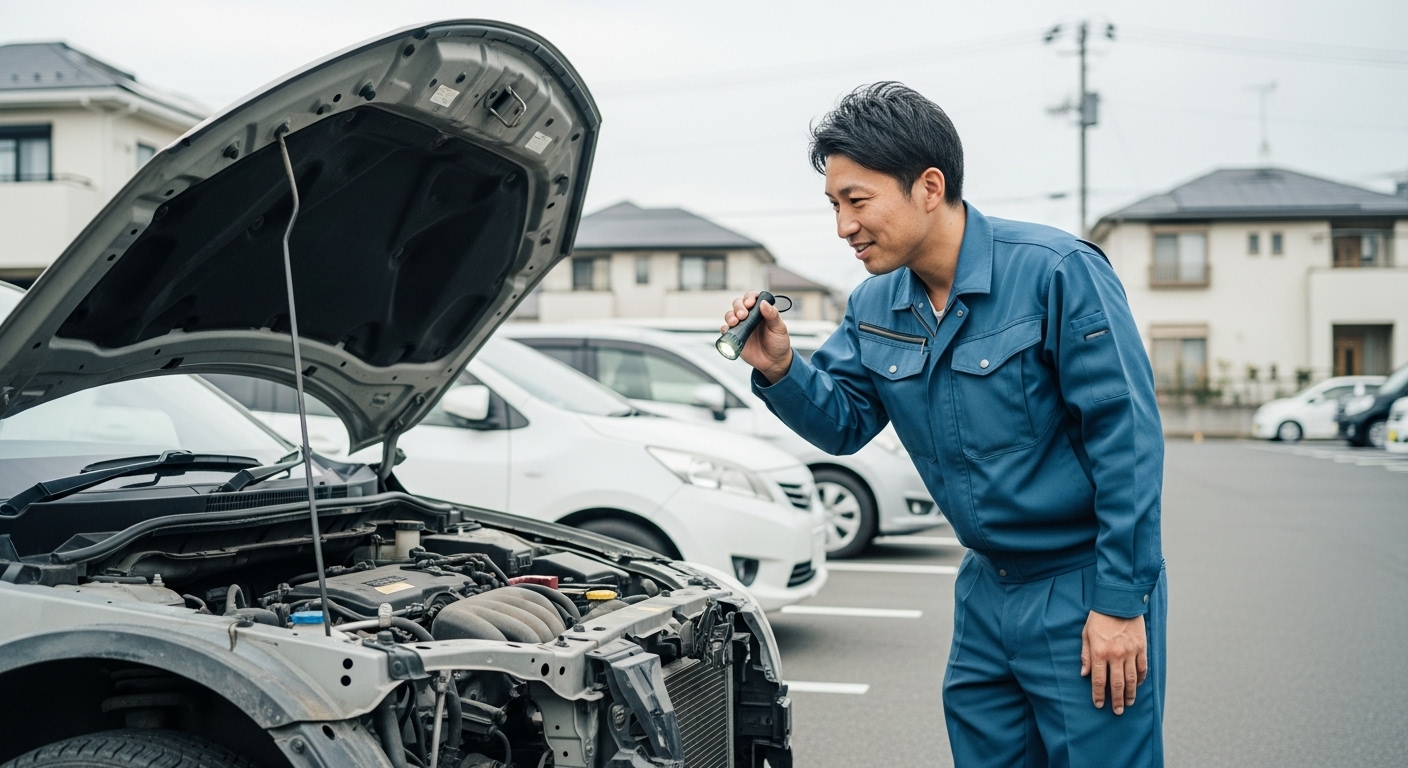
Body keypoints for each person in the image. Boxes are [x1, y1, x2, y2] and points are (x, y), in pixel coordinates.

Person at [723, 82, 1166, 766]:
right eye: (834, 205)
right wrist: (782, 368)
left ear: (929, 187)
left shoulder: (1057, 272)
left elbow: (1126, 442)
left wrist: (1119, 601)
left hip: (1082, 585)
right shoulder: (874, 304)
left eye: (857, 201)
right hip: (985, 589)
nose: (844, 226)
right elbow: (844, 424)